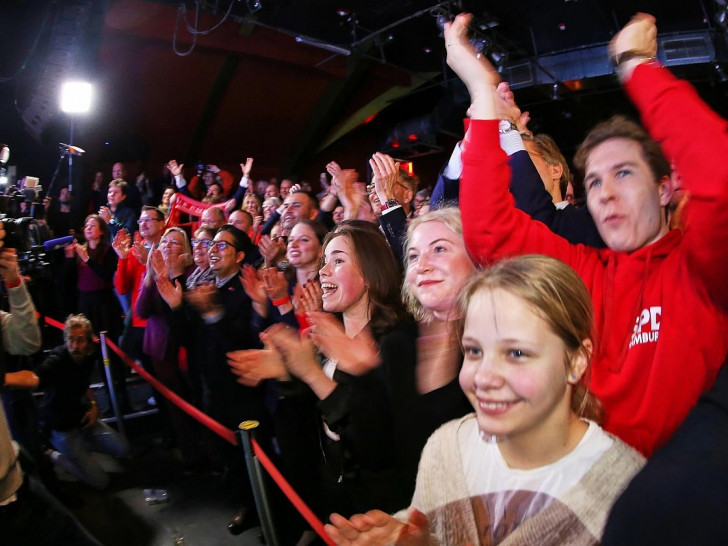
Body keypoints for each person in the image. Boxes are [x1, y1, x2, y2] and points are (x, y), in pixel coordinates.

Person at [449, 12, 728, 456]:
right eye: (595, 181)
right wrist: (481, 94)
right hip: (588, 498)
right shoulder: (583, 269)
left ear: (664, 188)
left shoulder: (700, 267)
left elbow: (720, 177)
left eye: (623, 173)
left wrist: (638, 65)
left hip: (686, 508)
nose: (606, 194)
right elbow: (488, 235)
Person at [326, 255, 645, 545]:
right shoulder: (447, 449)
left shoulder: (627, 492)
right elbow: (431, 525)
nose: (484, 377)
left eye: (517, 353)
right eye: (475, 351)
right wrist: (412, 538)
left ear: (576, 361)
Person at [229, 225, 427, 519]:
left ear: (370, 271)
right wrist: (287, 376)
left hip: (381, 513)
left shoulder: (398, 341)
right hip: (337, 499)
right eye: (324, 262)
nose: (323, 271)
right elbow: (311, 436)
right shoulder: (325, 336)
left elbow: (379, 449)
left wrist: (315, 377)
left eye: (338, 260)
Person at [4, 315, 129, 490]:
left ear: (89, 343)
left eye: (80, 340)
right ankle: (51, 453)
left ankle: (80, 453)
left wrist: (93, 406)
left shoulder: (87, 357)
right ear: (65, 340)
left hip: (83, 421)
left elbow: (84, 384)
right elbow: (34, 378)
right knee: (101, 482)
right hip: (61, 429)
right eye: (71, 340)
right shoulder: (57, 360)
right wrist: (5, 378)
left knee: (123, 448)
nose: (75, 346)